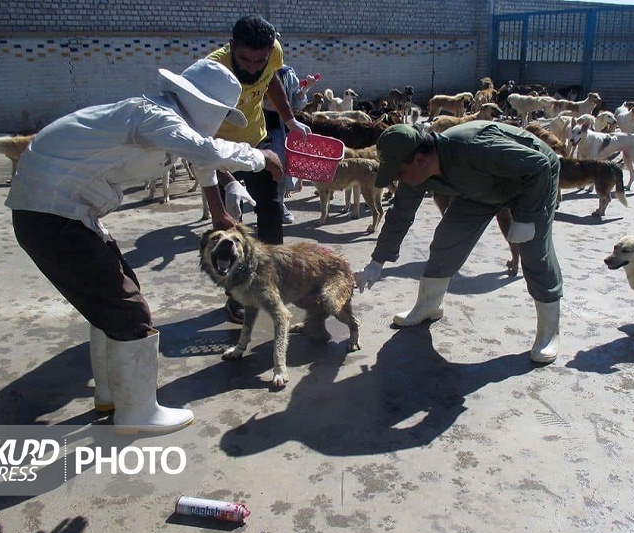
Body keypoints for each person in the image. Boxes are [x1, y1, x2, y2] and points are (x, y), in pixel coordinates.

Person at [5, 59, 284, 434]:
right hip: (52, 213)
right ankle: (137, 413)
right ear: (206, 107)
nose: (218, 125)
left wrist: (218, 210)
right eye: (219, 116)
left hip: (61, 211)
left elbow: (199, 157)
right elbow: (204, 148)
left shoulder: (162, 117)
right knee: (128, 311)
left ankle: (110, 396)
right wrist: (260, 158)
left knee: (113, 294)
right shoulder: (156, 117)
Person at [355, 121, 563, 364]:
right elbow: (400, 215)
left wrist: (526, 218)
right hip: (482, 187)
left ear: (420, 160)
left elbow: (539, 165)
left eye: (398, 173)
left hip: (531, 180)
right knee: (447, 241)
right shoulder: (416, 173)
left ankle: (549, 333)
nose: (398, 180)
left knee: (535, 252)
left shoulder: (473, 147)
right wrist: (376, 262)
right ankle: (428, 307)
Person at [206, 15, 311, 322]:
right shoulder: (211, 72)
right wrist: (226, 183)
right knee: (227, 228)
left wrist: (289, 119)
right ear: (231, 47)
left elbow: (272, 80)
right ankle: (236, 294)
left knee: (272, 212)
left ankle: (271, 281)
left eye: (258, 60)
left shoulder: (272, 53)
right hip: (218, 152)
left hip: (258, 145)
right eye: (244, 59)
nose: (252, 67)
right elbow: (195, 144)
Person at [263, 65, 317, 223]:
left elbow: (296, 103)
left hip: (277, 128)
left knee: (280, 166)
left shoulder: (286, 73)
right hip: (252, 127)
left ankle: (279, 205)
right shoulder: (250, 68)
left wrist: (305, 89)